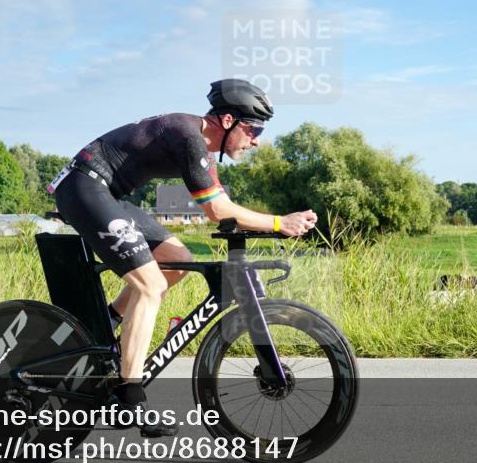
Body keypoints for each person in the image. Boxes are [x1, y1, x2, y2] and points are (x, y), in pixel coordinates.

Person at [49, 78, 318, 437]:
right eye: (253, 128)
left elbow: (223, 207)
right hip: (83, 187)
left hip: (108, 194)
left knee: (177, 260)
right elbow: (218, 210)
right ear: (227, 121)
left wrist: (270, 224)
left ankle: (103, 329)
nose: (256, 139)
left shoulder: (200, 146)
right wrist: (278, 223)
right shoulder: (189, 137)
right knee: (150, 286)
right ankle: (129, 397)